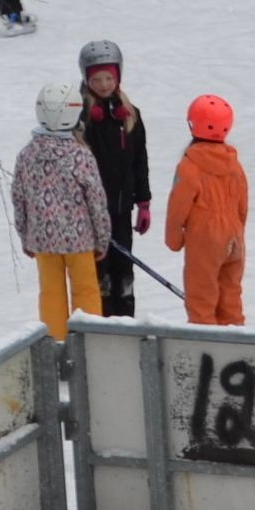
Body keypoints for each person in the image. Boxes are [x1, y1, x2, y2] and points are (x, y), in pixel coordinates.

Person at [12, 84, 112, 339]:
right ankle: (89, 341)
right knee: (86, 291)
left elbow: (19, 198)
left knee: (50, 294)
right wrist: (102, 239)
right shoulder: (80, 155)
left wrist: (26, 236)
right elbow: (97, 201)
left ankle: (56, 344)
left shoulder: (27, 155)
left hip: (43, 240)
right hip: (79, 239)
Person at [75, 38, 153, 317]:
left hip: (121, 208)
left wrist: (143, 201)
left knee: (123, 267)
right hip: (90, 213)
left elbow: (139, 161)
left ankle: (125, 319)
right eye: (97, 79)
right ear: (86, 78)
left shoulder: (130, 115)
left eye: (110, 77)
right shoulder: (80, 118)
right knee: (99, 269)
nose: (105, 84)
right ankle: (101, 319)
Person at [163, 93, 250, 326]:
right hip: (234, 236)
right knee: (231, 295)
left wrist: (173, 238)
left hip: (205, 238)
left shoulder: (189, 166)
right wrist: (238, 230)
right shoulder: (234, 165)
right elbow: (242, 205)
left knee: (201, 296)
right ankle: (236, 342)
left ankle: (206, 350)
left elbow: (178, 205)